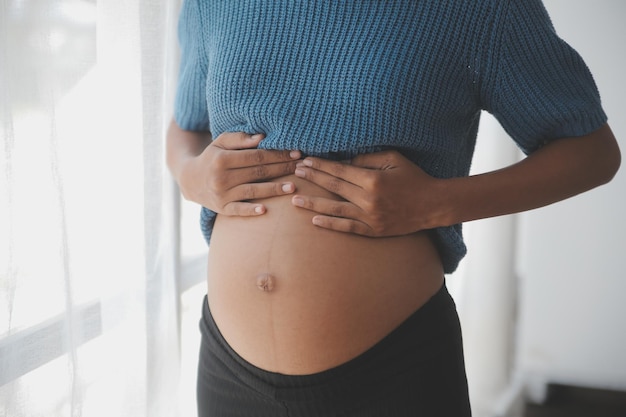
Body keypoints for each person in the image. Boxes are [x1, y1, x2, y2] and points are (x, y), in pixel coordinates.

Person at [166, 0, 621, 416]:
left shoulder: (482, 9)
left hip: (390, 374)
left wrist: (433, 204)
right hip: (229, 372)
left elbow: (591, 152)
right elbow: (185, 129)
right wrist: (193, 176)